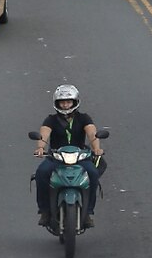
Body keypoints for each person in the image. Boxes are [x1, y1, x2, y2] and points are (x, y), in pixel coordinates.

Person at [34, 84, 103, 228]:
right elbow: (44, 134)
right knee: (41, 173)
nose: (65, 105)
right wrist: (40, 147)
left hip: (80, 156)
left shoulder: (84, 118)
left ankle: (88, 212)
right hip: (56, 156)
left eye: (68, 102)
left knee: (92, 173)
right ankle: (45, 211)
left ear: (75, 102)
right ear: (56, 103)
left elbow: (91, 133)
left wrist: (96, 148)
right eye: (62, 102)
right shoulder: (51, 120)